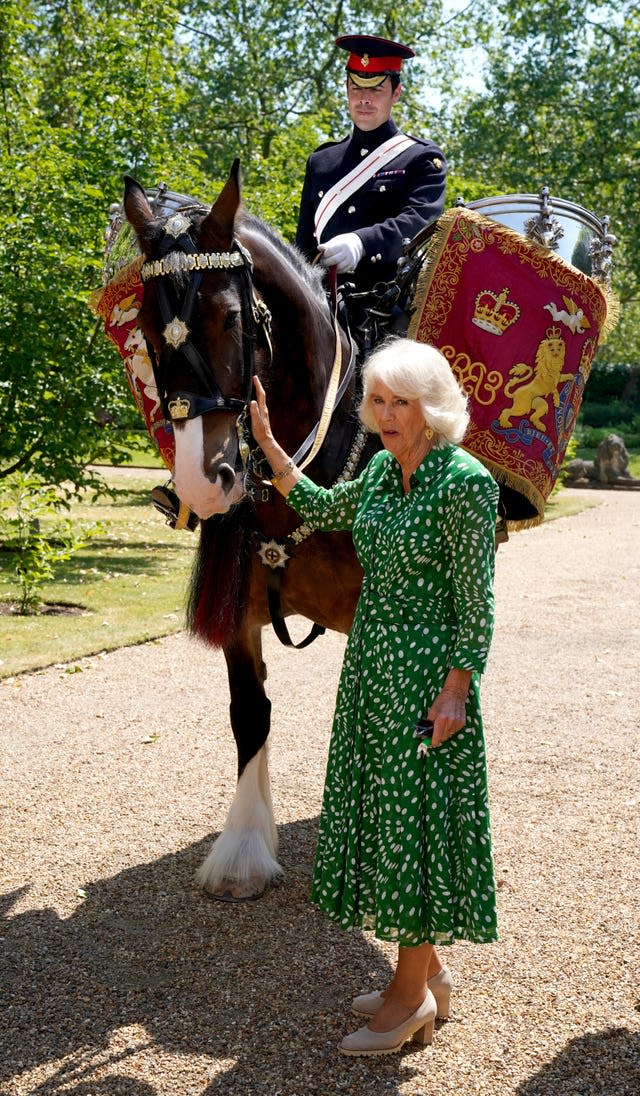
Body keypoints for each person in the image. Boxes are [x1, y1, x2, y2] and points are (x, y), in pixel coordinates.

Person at [249, 338, 499, 1056]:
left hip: (427, 681)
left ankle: (408, 996)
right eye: (379, 401)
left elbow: (476, 604)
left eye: (401, 402)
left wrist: (457, 691)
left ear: (433, 406)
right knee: (388, 815)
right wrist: (268, 444)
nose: (386, 415)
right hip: (371, 670)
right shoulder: (387, 472)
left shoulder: (466, 484)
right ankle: (432, 976)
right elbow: (324, 509)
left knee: (415, 829)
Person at [295, 34, 447, 293]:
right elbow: (303, 246)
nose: (364, 99)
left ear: (396, 93)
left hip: (387, 303)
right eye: (356, 88)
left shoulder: (420, 158)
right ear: (346, 89)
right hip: (321, 301)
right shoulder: (321, 161)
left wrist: (362, 243)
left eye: (376, 89)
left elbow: (420, 222)